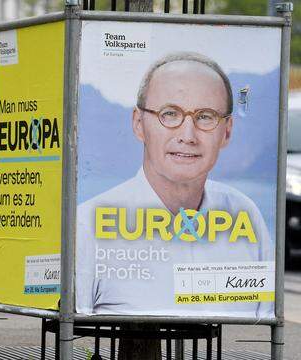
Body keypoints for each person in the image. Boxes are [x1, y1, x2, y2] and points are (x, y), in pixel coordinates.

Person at [76, 52, 274, 318]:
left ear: (226, 131)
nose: (187, 135)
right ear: (138, 124)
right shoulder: (88, 224)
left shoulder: (245, 216)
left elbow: (264, 323)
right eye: (170, 114)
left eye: (205, 117)